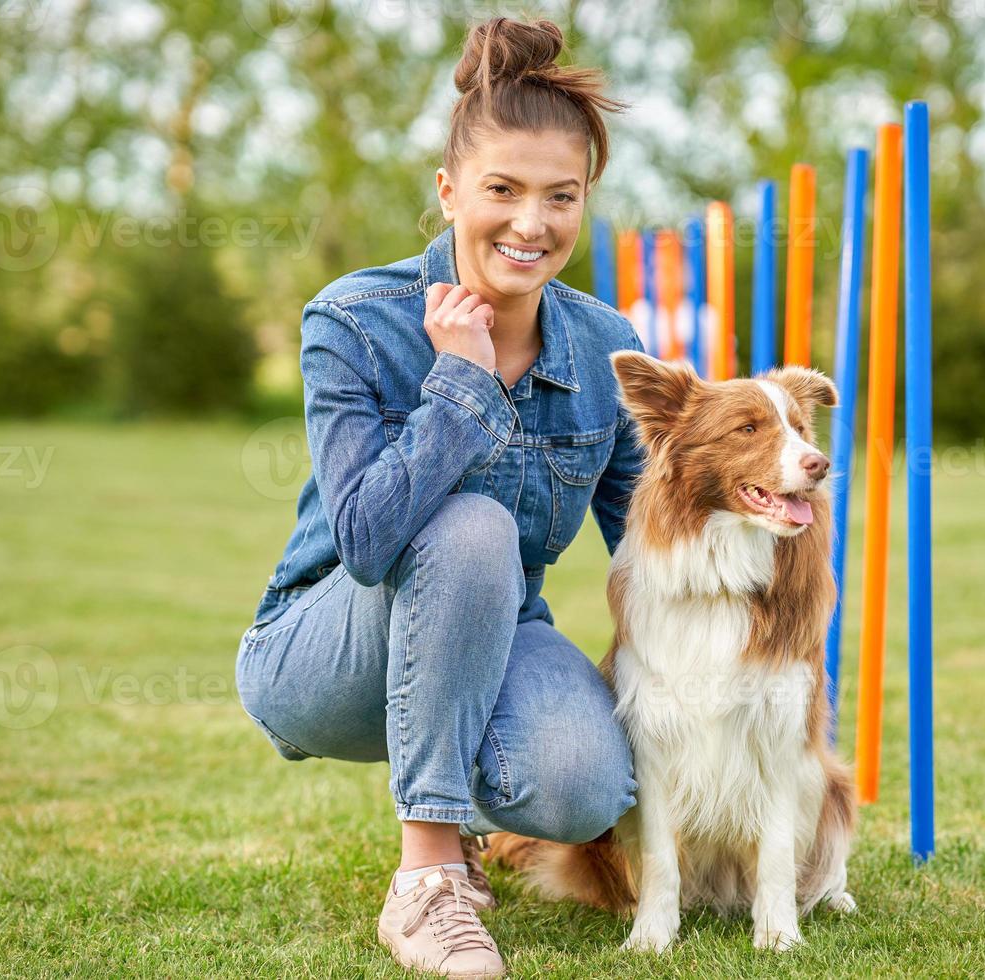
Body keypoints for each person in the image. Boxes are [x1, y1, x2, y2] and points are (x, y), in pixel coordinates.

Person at [235, 16, 643, 979]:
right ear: (450, 190)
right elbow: (370, 544)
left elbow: (648, 538)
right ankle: (428, 880)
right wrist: (459, 388)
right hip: (324, 656)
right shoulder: (353, 319)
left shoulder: (602, 343)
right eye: (502, 190)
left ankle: (463, 821)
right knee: (468, 525)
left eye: (561, 197)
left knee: (585, 788)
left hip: (496, 637)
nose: (531, 225)